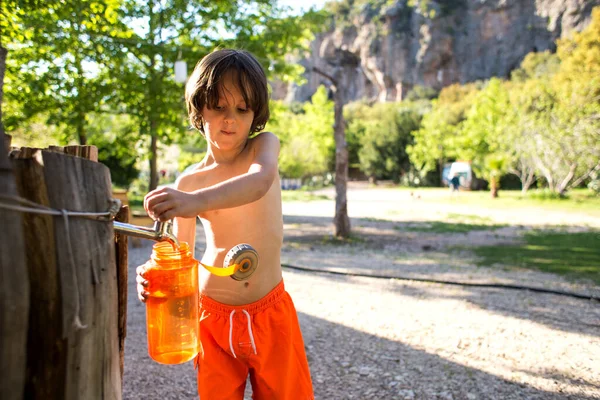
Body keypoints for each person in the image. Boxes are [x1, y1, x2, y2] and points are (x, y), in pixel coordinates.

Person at [136, 49, 313, 400]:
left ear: (255, 114)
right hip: (212, 321)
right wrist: (154, 274)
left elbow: (259, 181)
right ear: (199, 109)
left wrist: (195, 202)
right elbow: (179, 257)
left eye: (242, 108)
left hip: (271, 313)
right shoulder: (188, 182)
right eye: (219, 106)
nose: (230, 119)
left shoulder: (262, 148)